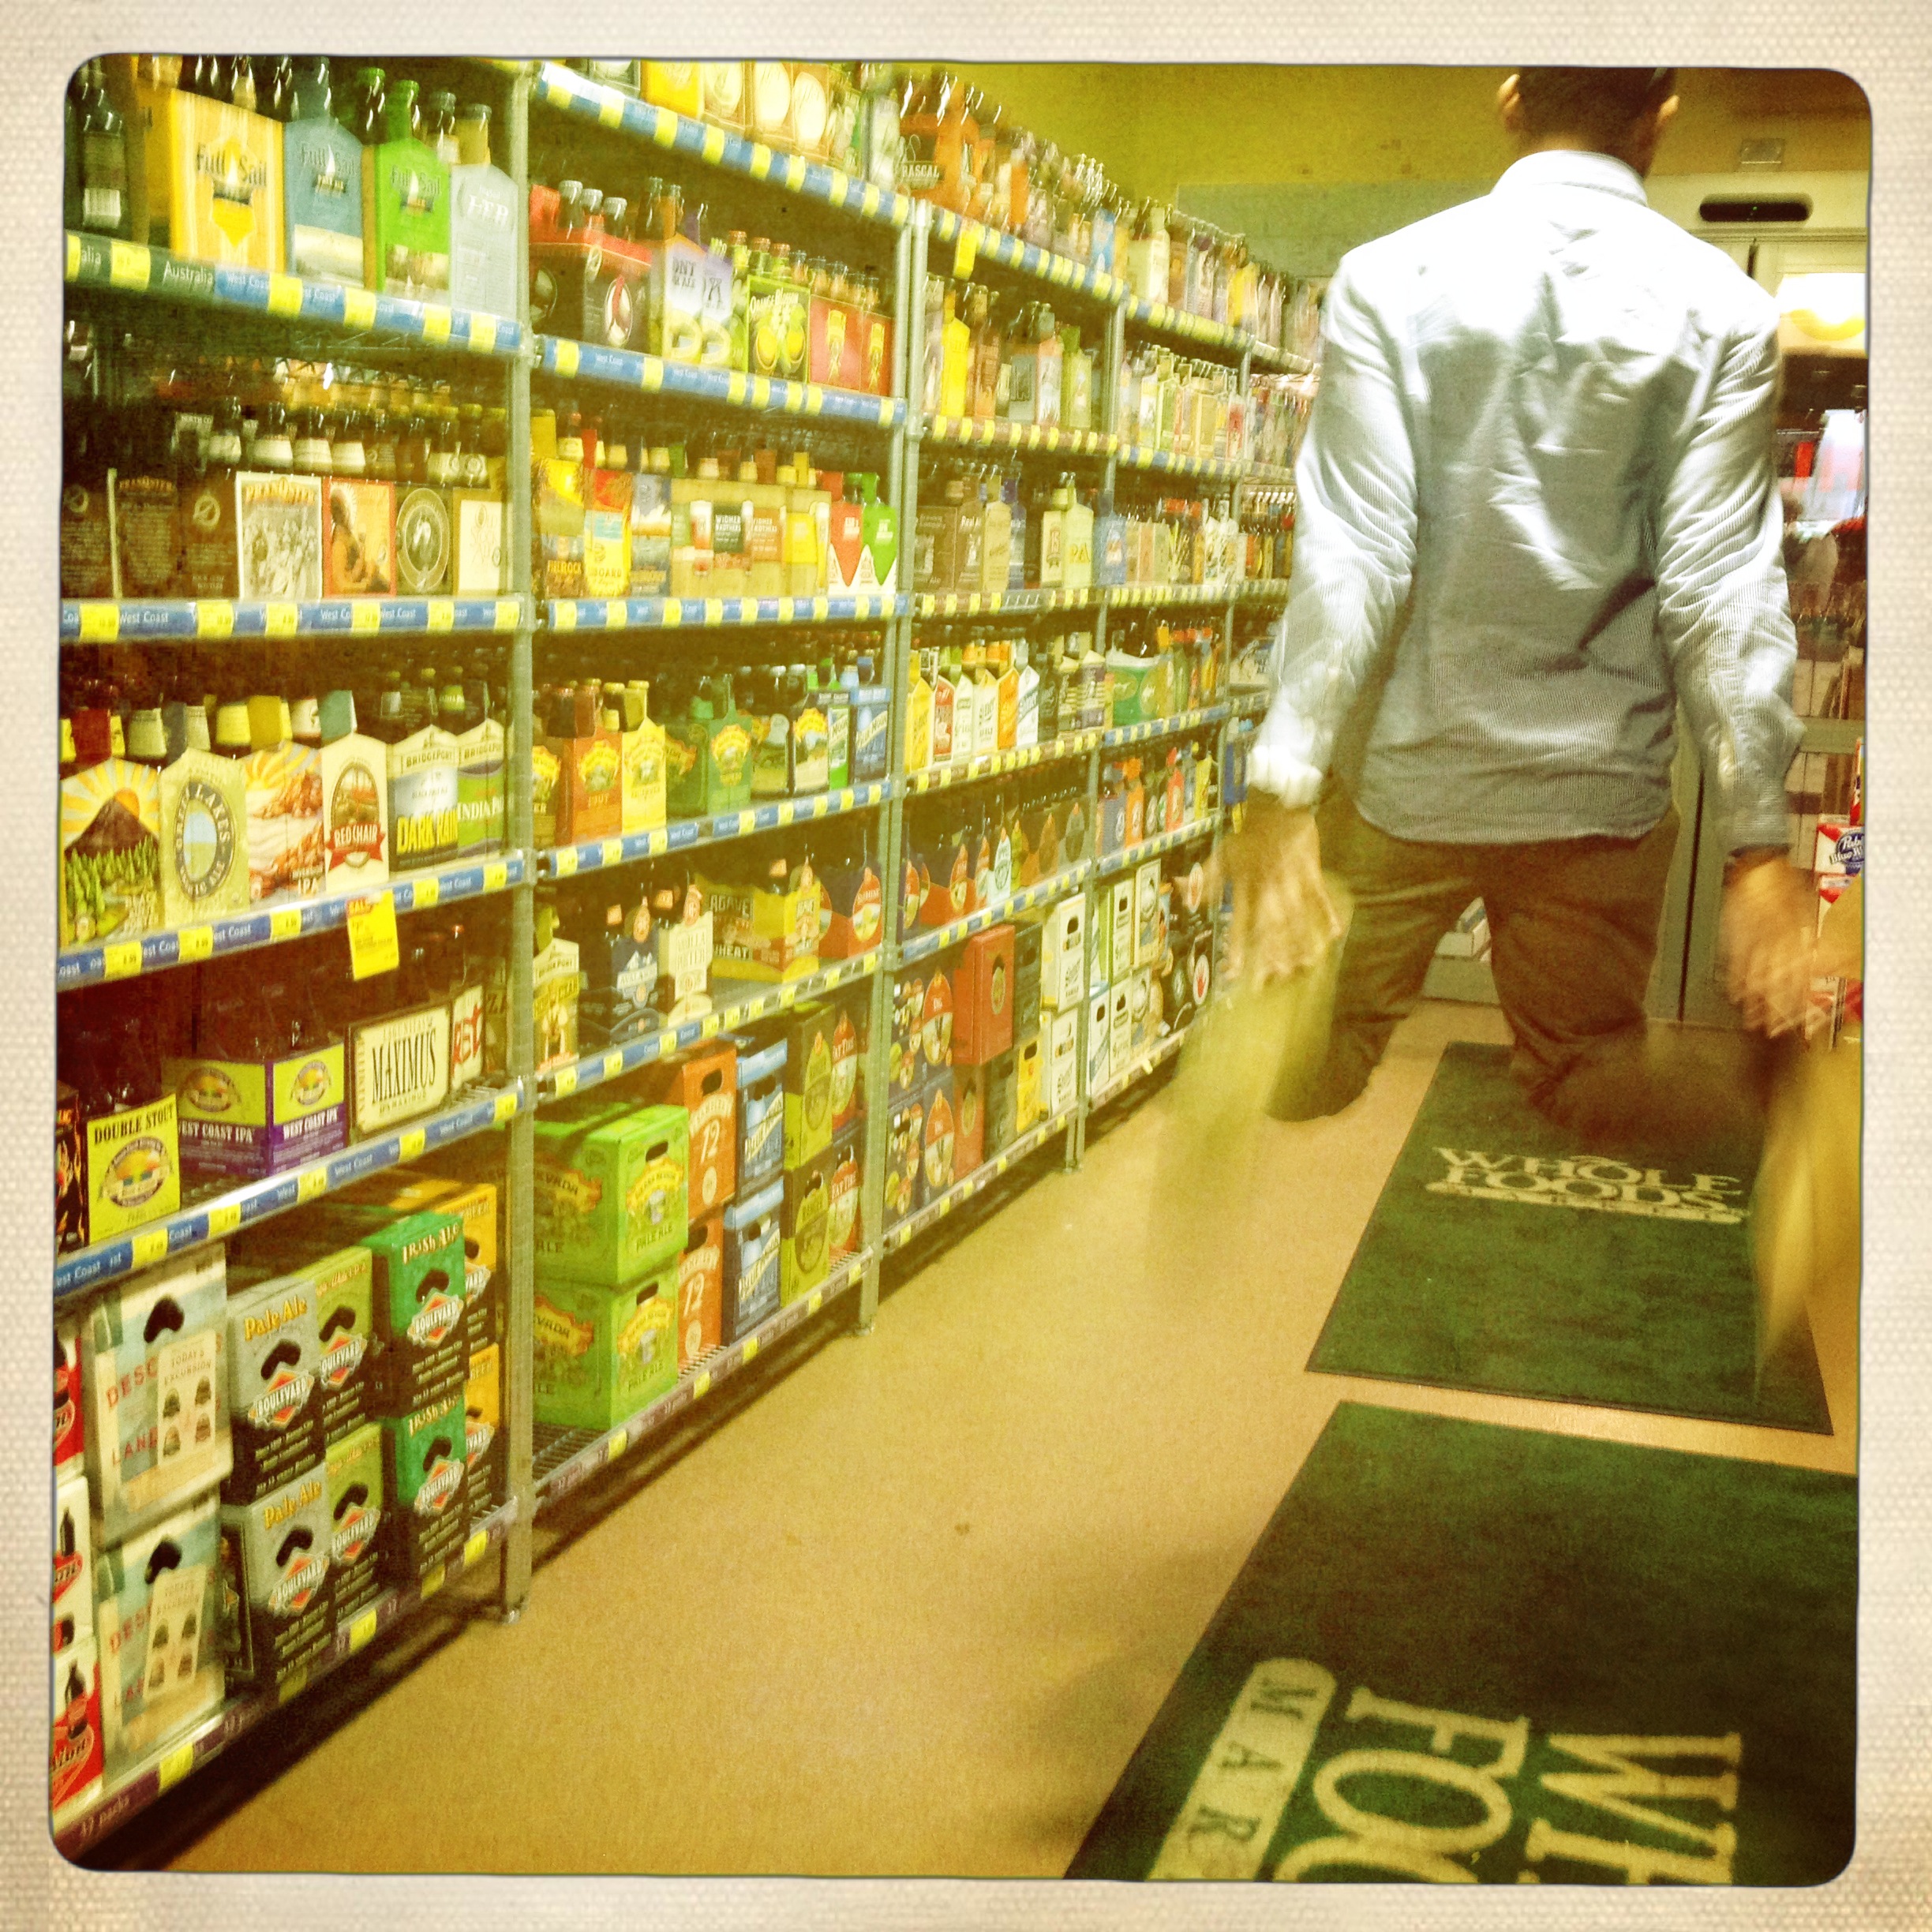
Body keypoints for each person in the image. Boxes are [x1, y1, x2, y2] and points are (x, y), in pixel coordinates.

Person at [1219, 66, 1818, 1148]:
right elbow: (1721, 585)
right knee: (1587, 1075)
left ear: (1510, 101)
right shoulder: (1724, 311)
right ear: (1660, 120)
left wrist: (1280, 787)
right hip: (1597, 793)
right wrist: (1758, 846)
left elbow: (1356, 551)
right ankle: (1809, 1134)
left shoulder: (1389, 280)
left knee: (1298, 1065)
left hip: (1408, 783)